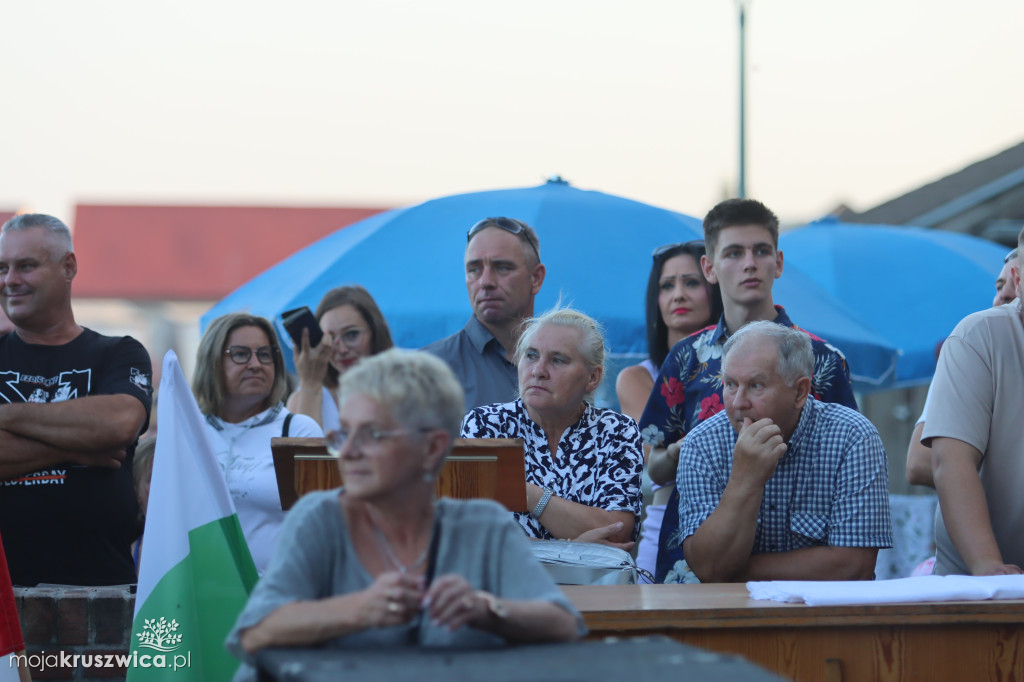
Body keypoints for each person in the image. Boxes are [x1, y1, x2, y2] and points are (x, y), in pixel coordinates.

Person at [226, 350, 582, 677]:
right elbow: (255, 632)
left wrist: (488, 609)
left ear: (431, 448)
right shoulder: (321, 518)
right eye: (344, 434)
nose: (347, 451)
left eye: (372, 435)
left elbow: (564, 624)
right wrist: (358, 610)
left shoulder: (482, 526)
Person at [639, 199, 858, 583]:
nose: (750, 263)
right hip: (694, 564)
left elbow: (845, 461)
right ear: (708, 267)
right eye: (734, 253)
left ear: (779, 262)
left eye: (761, 251)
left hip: (795, 566)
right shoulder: (686, 357)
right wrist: (685, 449)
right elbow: (653, 467)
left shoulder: (822, 360)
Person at [0, 213, 152, 586]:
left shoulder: (119, 353)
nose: (9, 280)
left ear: (68, 267)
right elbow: (100, 434)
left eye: (26, 266)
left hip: (100, 599)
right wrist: (78, 449)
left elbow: (117, 424)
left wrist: (5, 416)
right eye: (2, 268)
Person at [679, 322, 892, 583]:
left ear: (800, 391)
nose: (738, 402)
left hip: (827, 618)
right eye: (731, 384)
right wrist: (745, 480)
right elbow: (709, 569)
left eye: (756, 385)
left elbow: (854, 566)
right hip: (732, 618)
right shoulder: (701, 444)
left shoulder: (853, 437)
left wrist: (735, 572)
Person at [461, 308, 643, 547]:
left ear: (592, 378)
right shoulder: (486, 425)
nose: (538, 371)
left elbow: (617, 533)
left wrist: (526, 493)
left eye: (557, 360)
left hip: (596, 585)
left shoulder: (617, 431)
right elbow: (475, 538)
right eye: (531, 355)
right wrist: (570, 551)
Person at [615, 241, 722, 576]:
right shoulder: (636, 379)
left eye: (691, 283)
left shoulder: (743, 368)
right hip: (665, 530)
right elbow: (656, 460)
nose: (678, 294)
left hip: (739, 529)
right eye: (667, 285)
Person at [924, 229, 1024, 576]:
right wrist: (987, 565)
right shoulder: (978, 336)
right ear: (1018, 279)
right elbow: (950, 460)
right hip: (977, 585)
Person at [194, 313, 322, 575]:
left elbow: (327, 527)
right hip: (204, 597)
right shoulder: (191, 432)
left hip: (281, 600)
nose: (256, 364)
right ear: (212, 361)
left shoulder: (297, 430)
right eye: (241, 354)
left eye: (265, 354)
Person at [905, 246, 1019, 489]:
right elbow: (920, 463)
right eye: (999, 287)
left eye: (1017, 281)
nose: (1005, 294)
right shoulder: (970, 352)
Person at [424, 217, 545, 410]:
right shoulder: (427, 372)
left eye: (503, 267)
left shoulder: (569, 365)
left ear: (536, 278)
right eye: (474, 269)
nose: (485, 281)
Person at [286, 285, 394, 429]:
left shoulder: (406, 387)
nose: (342, 349)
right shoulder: (302, 397)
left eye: (351, 334)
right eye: (330, 338)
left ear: (376, 332)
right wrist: (310, 384)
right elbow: (300, 451)